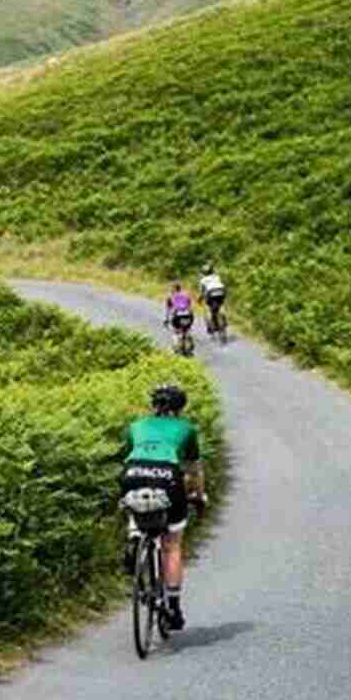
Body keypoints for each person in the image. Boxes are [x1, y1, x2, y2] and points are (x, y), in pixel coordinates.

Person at [119, 383, 207, 630]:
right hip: (168, 476)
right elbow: (194, 468)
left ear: (153, 405)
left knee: (136, 502)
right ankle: (174, 606)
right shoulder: (186, 428)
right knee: (172, 544)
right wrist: (198, 496)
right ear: (180, 407)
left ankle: (134, 536)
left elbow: (128, 455)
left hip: (133, 471)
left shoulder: (136, 426)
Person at [163, 283, 195, 353]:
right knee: (187, 328)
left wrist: (166, 320)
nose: (170, 290)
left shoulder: (170, 296)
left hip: (177, 315)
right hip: (188, 314)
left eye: (171, 288)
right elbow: (190, 306)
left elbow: (168, 310)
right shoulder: (186, 295)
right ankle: (189, 337)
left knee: (176, 331)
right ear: (180, 288)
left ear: (173, 289)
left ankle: (175, 346)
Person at [198, 264, 227, 334]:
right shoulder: (217, 277)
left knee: (208, 307)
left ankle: (211, 324)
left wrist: (200, 299)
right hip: (221, 290)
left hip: (211, 292)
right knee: (221, 304)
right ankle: (223, 317)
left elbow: (202, 292)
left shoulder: (203, 280)